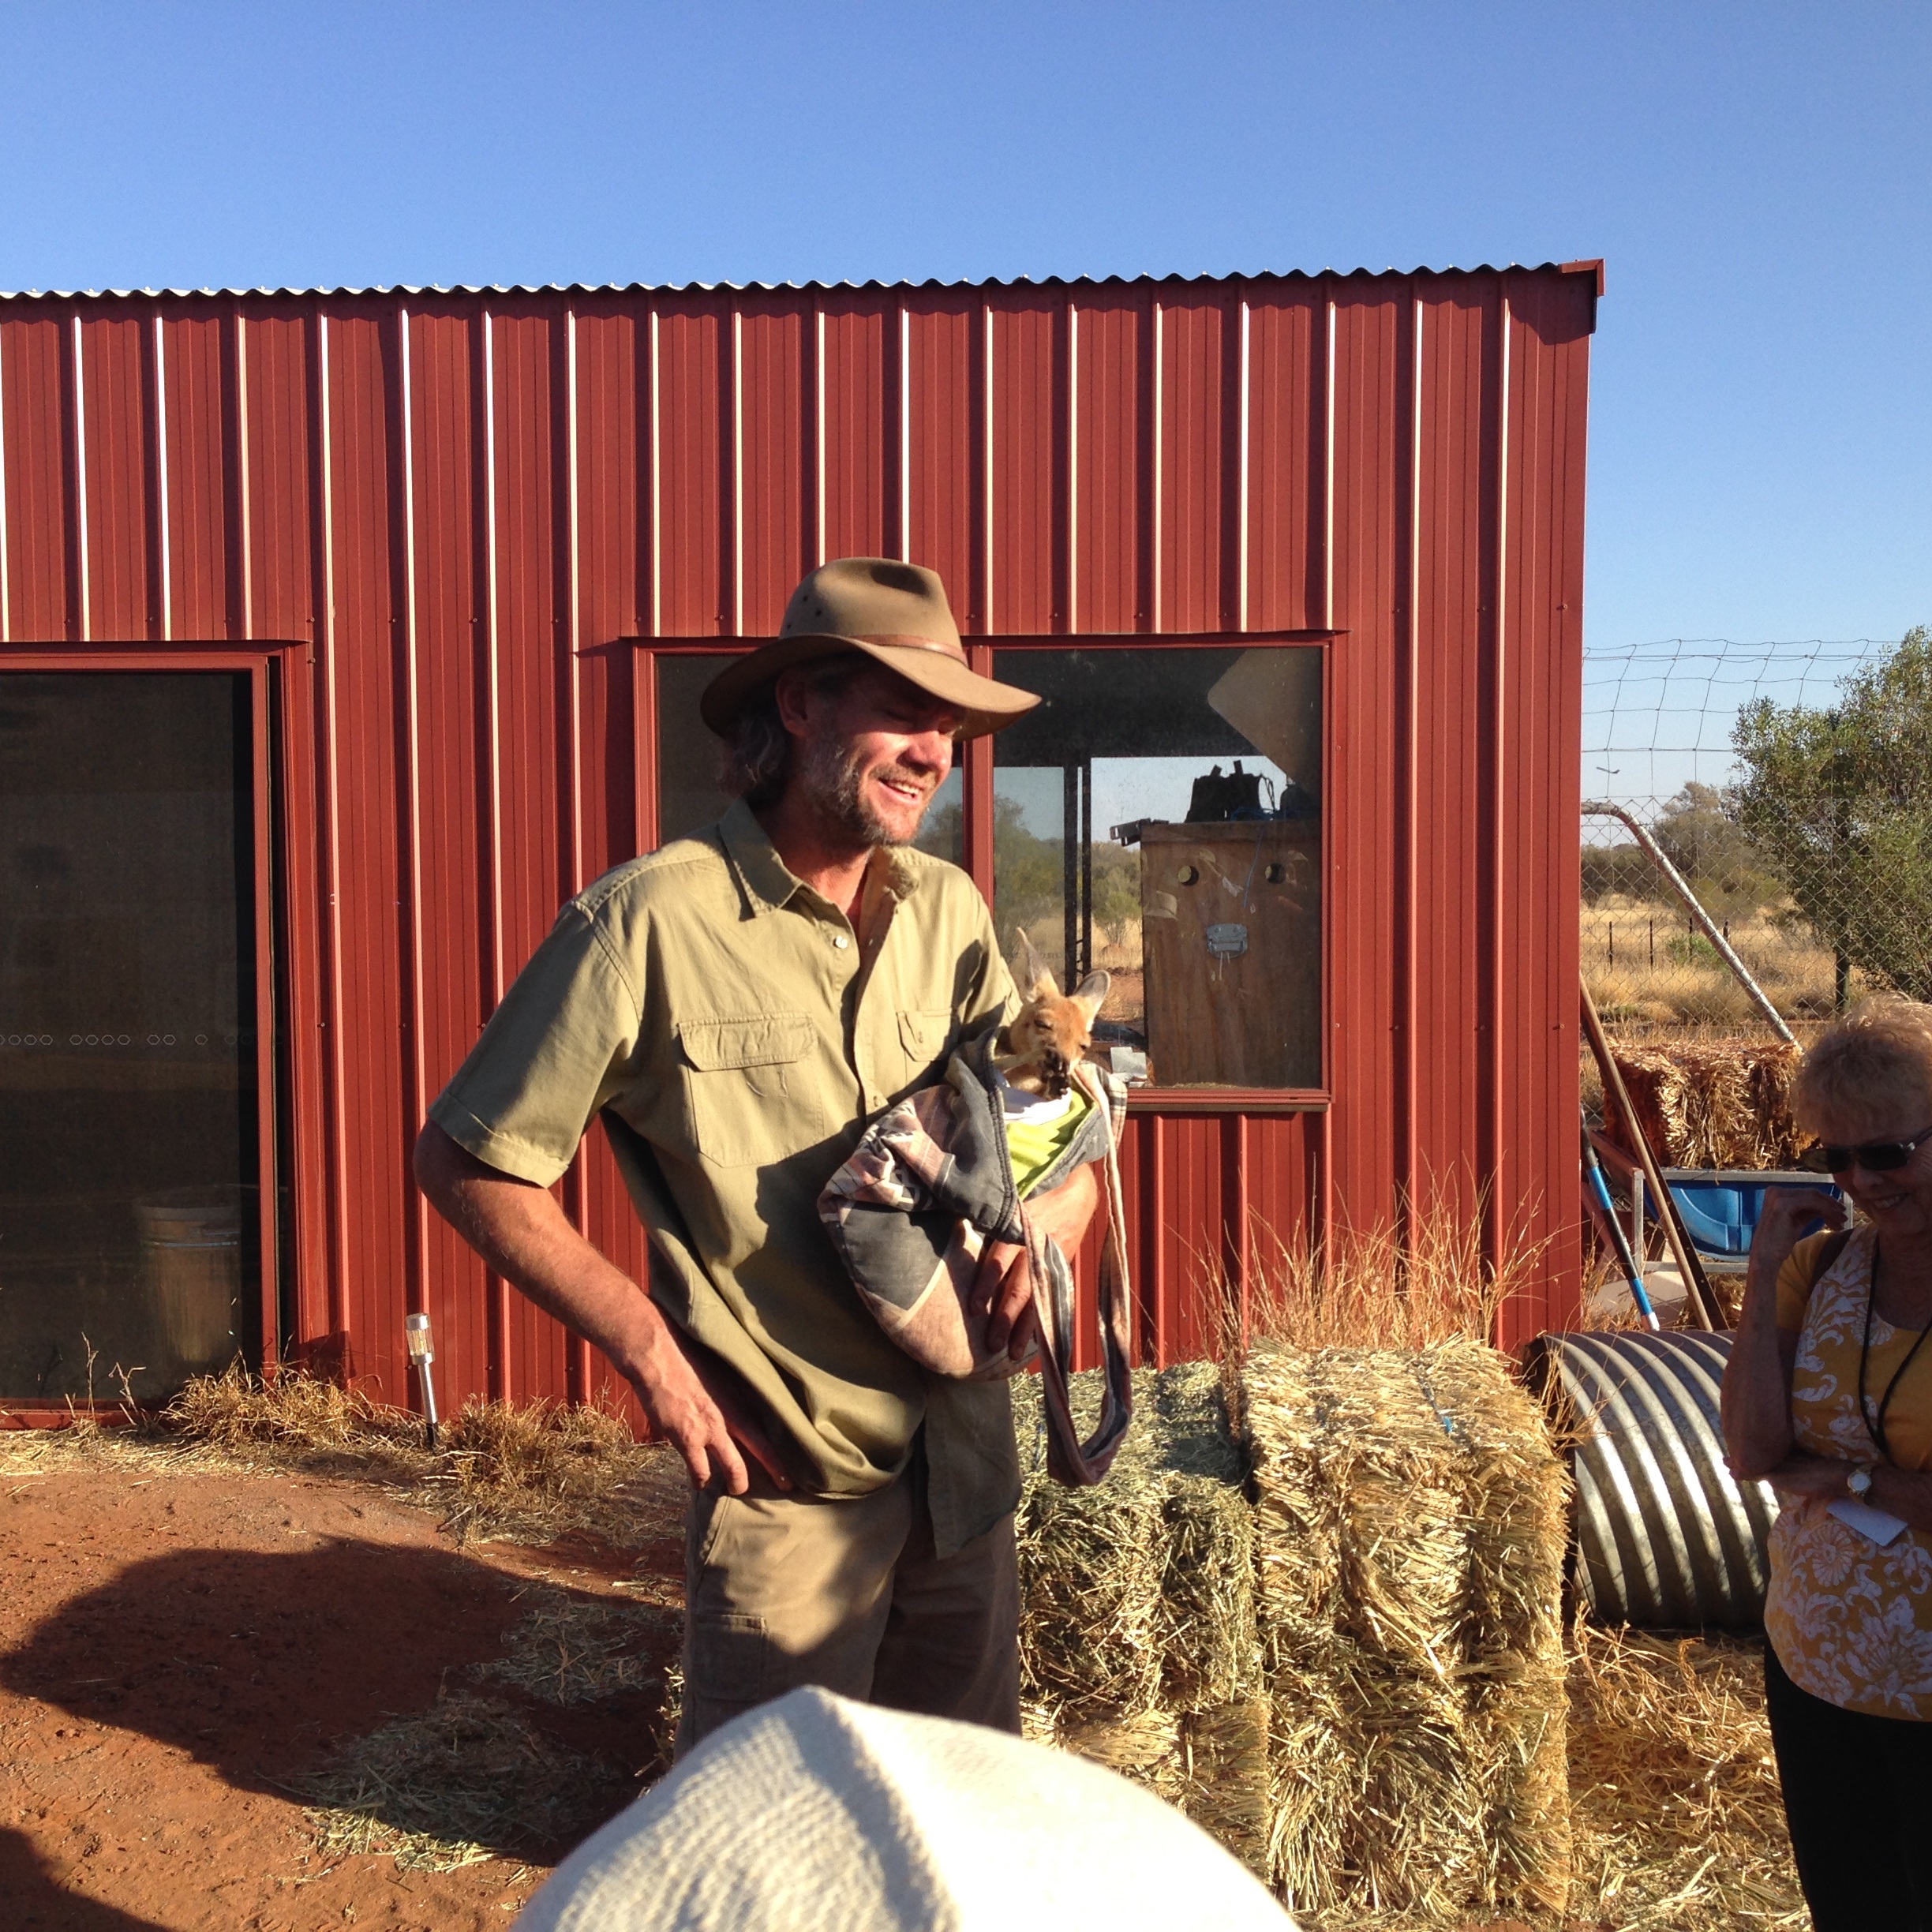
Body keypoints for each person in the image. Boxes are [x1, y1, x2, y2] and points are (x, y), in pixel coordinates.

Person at [414, 557, 1099, 1753]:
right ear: (798, 706)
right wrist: (649, 1351)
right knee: (776, 1861)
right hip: (788, 1498)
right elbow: (472, 1161)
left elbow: (1050, 1136)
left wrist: (1054, 1234)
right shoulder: (646, 923)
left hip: (966, 1482)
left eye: (947, 724)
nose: (934, 750)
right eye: (903, 710)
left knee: (951, 1852)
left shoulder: (949, 913)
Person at [1721, 996, 1932, 1930]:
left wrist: (1847, 1477)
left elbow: (1803, 1470)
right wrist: (1766, 1267)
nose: (1863, 1182)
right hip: (1818, 1665)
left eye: (1888, 1153)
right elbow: (1753, 1450)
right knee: (1853, 1909)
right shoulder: (1828, 1270)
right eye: (1836, 1159)